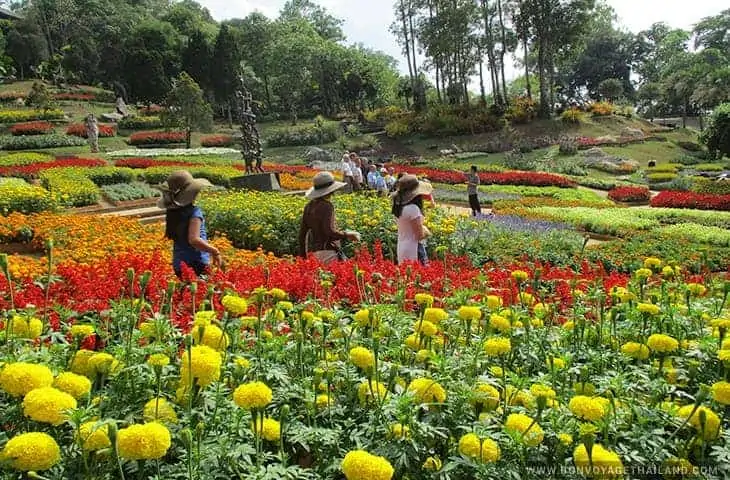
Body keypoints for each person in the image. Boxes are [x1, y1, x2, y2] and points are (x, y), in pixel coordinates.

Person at [159, 170, 221, 279]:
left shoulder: (172, 213)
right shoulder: (194, 212)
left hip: (179, 264)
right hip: (196, 263)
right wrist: (215, 251)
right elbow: (194, 240)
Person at [299, 171, 361, 265]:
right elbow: (329, 231)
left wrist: (303, 256)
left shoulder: (309, 206)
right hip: (327, 251)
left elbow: (302, 234)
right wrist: (348, 235)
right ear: (331, 190)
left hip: (313, 252)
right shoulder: (327, 206)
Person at [392, 174, 433, 265]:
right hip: (414, 248)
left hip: (402, 246)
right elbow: (419, 235)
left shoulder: (398, 208)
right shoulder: (413, 209)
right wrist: (426, 231)